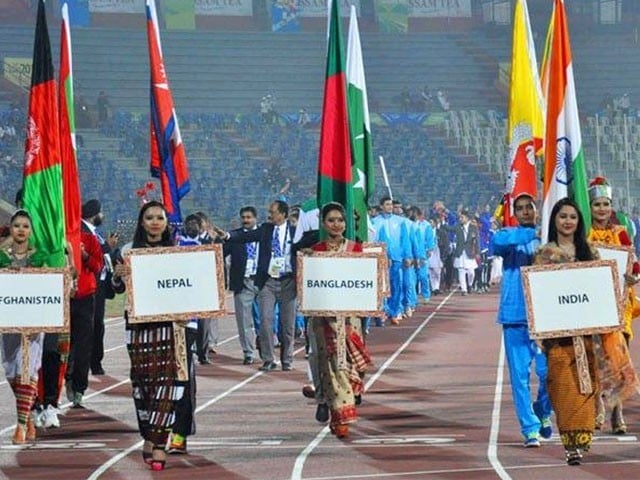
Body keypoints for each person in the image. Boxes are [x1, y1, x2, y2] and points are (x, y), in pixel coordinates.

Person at [111, 201, 184, 471]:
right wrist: (118, 276)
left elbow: (188, 287)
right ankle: (149, 434)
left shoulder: (176, 253)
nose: (155, 222)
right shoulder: (127, 251)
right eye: (150, 217)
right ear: (142, 222)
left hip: (168, 326)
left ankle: (159, 443)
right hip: (138, 328)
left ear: (166, 223)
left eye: (159, 218)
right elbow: (116, 288)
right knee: (143, 384)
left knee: (167, 382)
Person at [534, 198, 600, 465]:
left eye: (573, 217)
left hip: (588, 336)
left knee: (587, 387)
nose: (568, 221)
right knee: (563, 388)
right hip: (558, 339)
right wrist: (540, 333)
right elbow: (538, 296)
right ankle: (570, 446)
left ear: (579, 221)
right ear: (554, 220)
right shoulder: (544, 254)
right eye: (563, 216)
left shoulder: (591, 253)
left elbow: (600, 290)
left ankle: (582, 440)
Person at [490, 194, 552, 448]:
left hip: (547, 316)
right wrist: (533, 233)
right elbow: (496, 243)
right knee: (520, 377)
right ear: (514, 213)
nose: (526, 212)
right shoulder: (508, 235)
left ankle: (543, 408)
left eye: (530, 207)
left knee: (551, 373)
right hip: (515, 314)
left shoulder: (549, 237)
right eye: (520, 208)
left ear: (538, 210)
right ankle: (530, 428)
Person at [308, 202, 372, 438]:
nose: (336, 224)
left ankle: (340, 412)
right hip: (324, 321)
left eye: (340, 220)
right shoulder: (315, 251)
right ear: (323, 224)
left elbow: (366, 282)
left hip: (350, 318)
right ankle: (340, 415)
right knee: (330, 367)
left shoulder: (356, 250)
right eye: (331, 220)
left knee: (350, 364)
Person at [585, 177, 640, 434]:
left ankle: (617, 413)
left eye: (606, 204)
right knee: (596, 358)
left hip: (620, 304)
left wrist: (634, 277)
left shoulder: (621, 232)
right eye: (597, 204)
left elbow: (634, 265)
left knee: (619, 359)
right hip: (594, 304)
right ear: (590, 207)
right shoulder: (584, 233)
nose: (602, 209)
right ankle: (598, 405)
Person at [216, 200, 298, 371]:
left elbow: (308, 242)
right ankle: (268, 359)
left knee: (287, 324)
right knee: (265, 322)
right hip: (267, 282)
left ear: (283, 214)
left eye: (273, 212)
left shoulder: (295, 231)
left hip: (288, 282)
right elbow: (246, 236)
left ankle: (287, 359)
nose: (269, 215)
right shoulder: (266, 229)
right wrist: (228, 236)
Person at [0, 210, 46, 444]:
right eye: (17, 225)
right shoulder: (1, 256)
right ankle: (27, 418)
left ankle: (19, 426)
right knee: (11, 370)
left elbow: (50, 283)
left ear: (31, 230)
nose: (21, 230)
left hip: (33, 321)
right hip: (8, 321)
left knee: (27, 369)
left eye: (25, 226)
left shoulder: (40, 257)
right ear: (10, 228)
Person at [81, 199, 119, 376]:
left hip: (100, 286)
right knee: (89, 325)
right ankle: (89, 362)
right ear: (93, 214)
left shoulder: (96, 232)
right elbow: (92, 252)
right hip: (89, 285)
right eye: (100, 213)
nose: (102, 216)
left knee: (98, 325)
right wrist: (107, 246)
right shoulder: (82, 230)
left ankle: (95, 361)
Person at [223, 206, 261, 365]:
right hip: (243, 282)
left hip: (263, 282)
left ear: (256, 218)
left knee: (266, 319)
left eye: (249, 217)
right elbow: (219, 254)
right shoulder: (234, 236)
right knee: (244, 320)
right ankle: (248, 352)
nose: (246, 220)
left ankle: (266, 348)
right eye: (243, 217)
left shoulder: (264, 234)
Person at [453, 209, 479, 295]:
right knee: (461, 270)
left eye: (462, 217)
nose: (460, 219)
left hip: (469, 252)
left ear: (467, 218)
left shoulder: (473, 228)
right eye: (460, 217)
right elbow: (449, 228)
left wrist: (478, 252)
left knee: (471, 272)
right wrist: (442, 222)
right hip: (460, 252)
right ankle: (464, 290)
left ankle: (470, 284)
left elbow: (477, 241)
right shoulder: (457, 227)